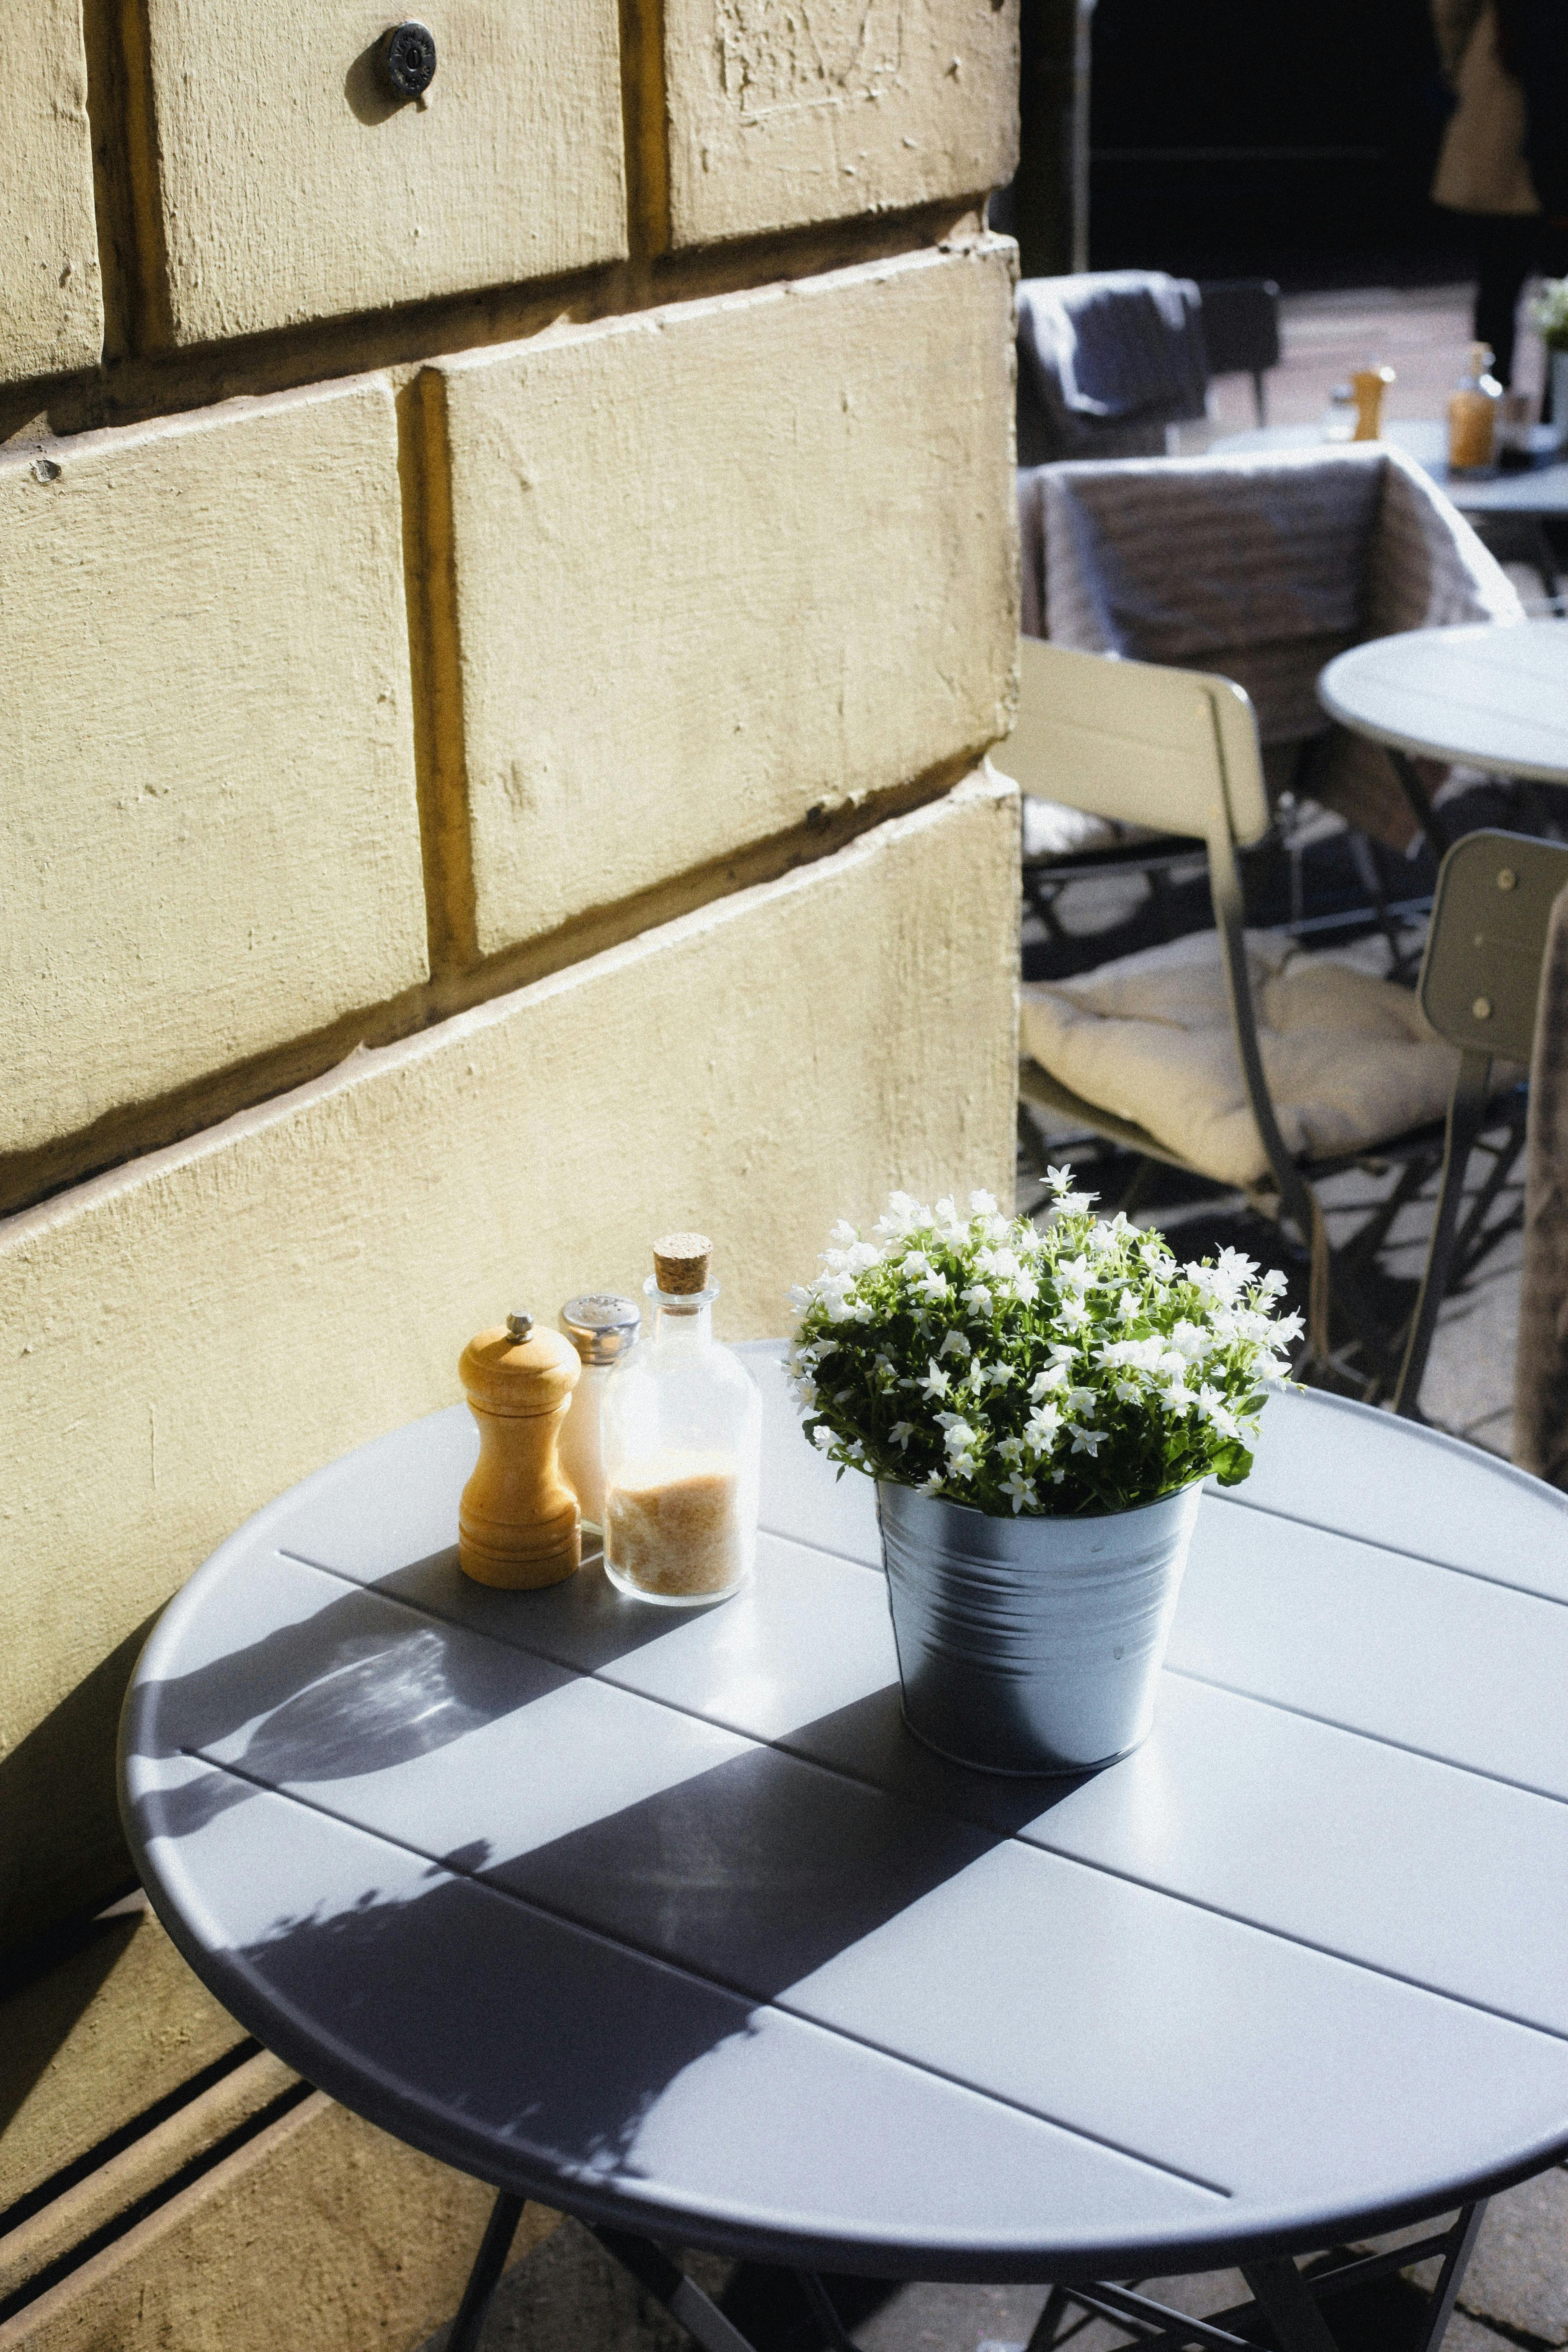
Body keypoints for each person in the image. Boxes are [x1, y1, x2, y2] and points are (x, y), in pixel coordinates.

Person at [1431, 0, 1568, 391]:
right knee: (1508, 284)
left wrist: (1458, 68)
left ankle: (1498, 415)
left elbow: (1451, 14)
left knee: (1501, 285)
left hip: (1504, 104)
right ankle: (1516, 414)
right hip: (1512, 109)